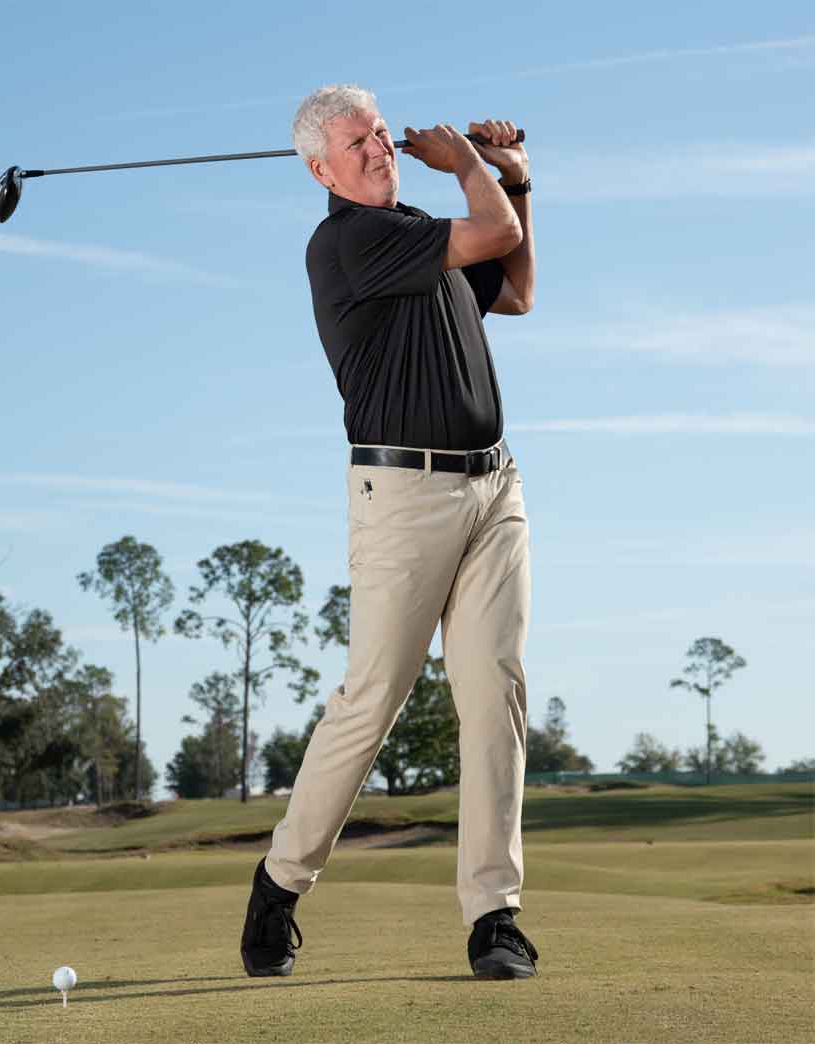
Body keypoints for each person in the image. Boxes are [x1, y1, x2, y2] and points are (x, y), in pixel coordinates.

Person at [239, 84, 539, 981]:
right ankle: (278, 884)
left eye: (380, 132)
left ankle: (494, 917)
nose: (378, 148)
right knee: (373, 700)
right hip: (402, 498)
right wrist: (478, 170)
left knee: (495, 693)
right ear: (319, 169)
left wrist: (516, 178)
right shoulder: (349, 241)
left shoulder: (418, 233)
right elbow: (493, 237)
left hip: (495, 488)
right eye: (356, 143)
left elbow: (516, 289)